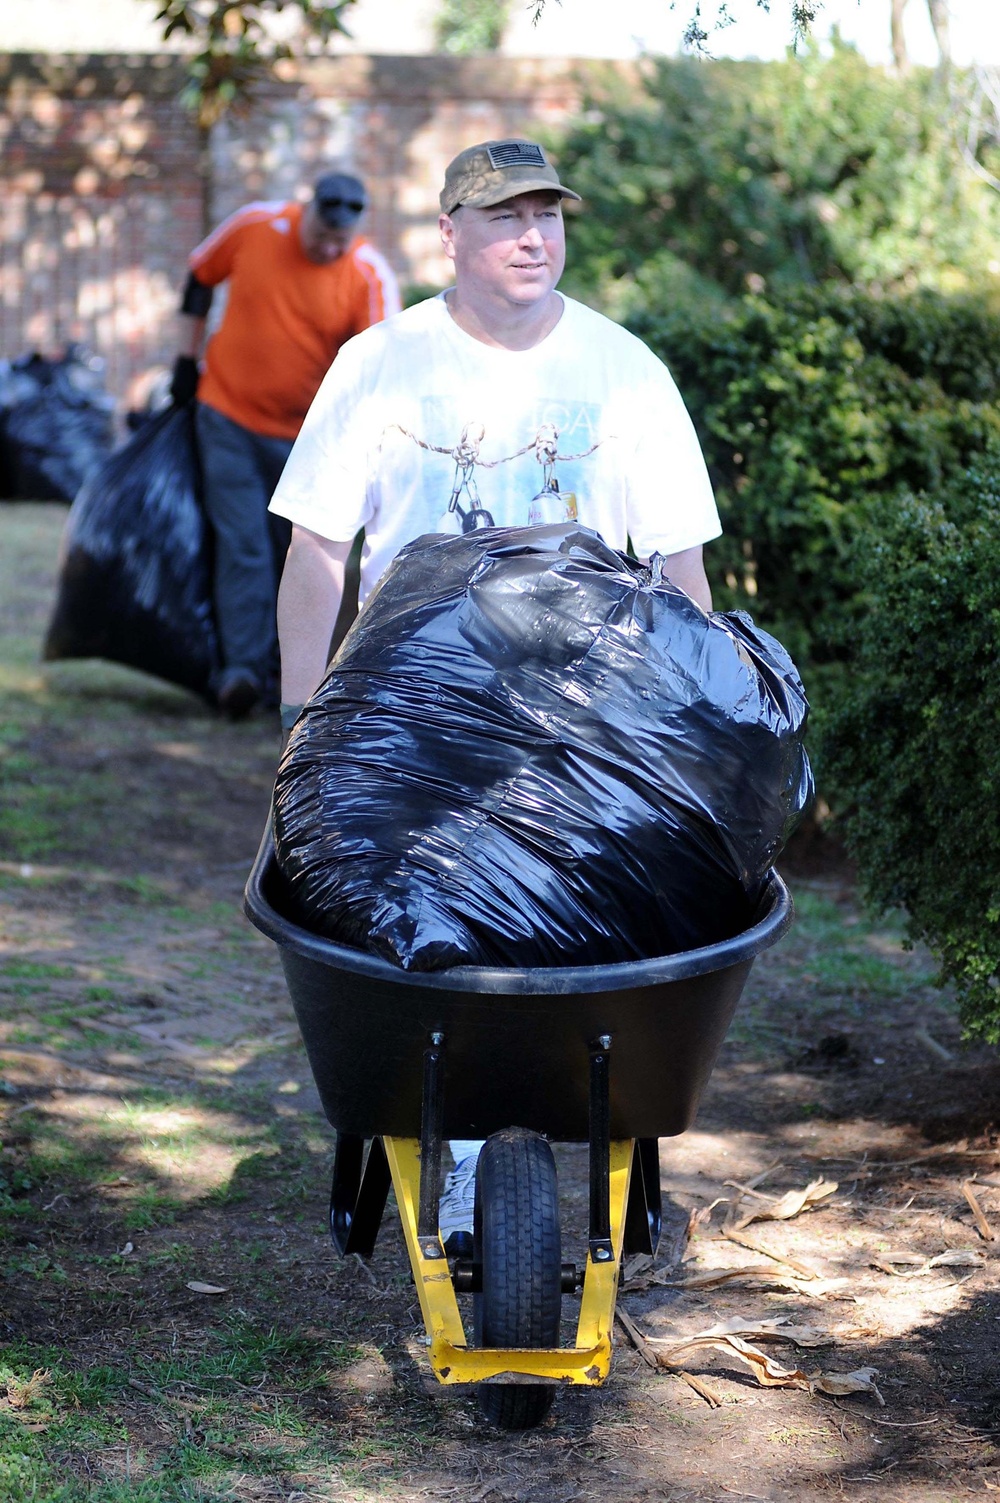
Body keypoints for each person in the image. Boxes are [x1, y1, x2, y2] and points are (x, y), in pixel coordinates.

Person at [268, 138, 722, 1252]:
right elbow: (320, 550)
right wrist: (296, 719)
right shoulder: (381, 362)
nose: (535, 236)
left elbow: (675, 570)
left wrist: (702, 729)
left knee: (568, 945)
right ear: (449, 236)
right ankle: (465, 1161)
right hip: (407, 713)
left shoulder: (623, 372)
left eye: (549, 215)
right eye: (505, 216)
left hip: (577, 722)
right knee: (442, 950)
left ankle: (533, 1122)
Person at [169, 171, 401, 718]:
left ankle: (292, 680)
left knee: (302, 557)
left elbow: (382, 369)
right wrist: (185, 359)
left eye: (338, 244)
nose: (326, 248)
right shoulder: (256, 226)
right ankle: (240, 674)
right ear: (307, 210)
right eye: (319, 234)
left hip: (309, 441)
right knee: (243, 545)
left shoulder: (368, 274)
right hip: (226, 415)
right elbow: (199, 277)